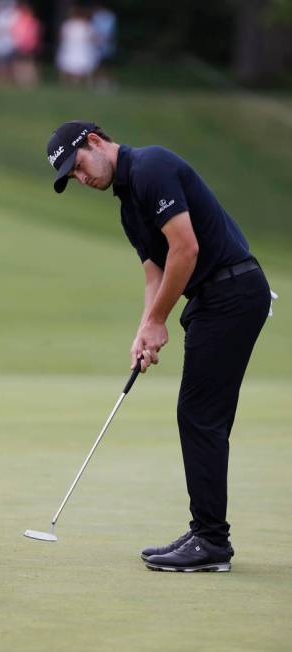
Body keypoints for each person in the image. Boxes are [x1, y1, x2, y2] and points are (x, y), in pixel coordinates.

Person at [46, 121, 272, 572]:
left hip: (232, 293)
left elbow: (185, 250)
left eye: (79, 166)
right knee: (200, 414)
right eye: (72, 177)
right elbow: (155, 272)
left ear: (94, 141)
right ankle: (206, 534)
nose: (82, 178)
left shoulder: (152, 166)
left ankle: (211, 542)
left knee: (199, 415)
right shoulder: (129, 207)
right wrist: (143, 330)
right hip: (214, 301)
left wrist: (158, 321)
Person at [56, 6, 98, 86]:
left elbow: (61, 36)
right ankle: (79, 83)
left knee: (71, 65)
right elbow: (93, 38)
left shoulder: (69, 24)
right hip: (78, 48)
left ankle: (70, 83)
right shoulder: (85, 25)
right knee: (78, 65)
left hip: (74, 48)